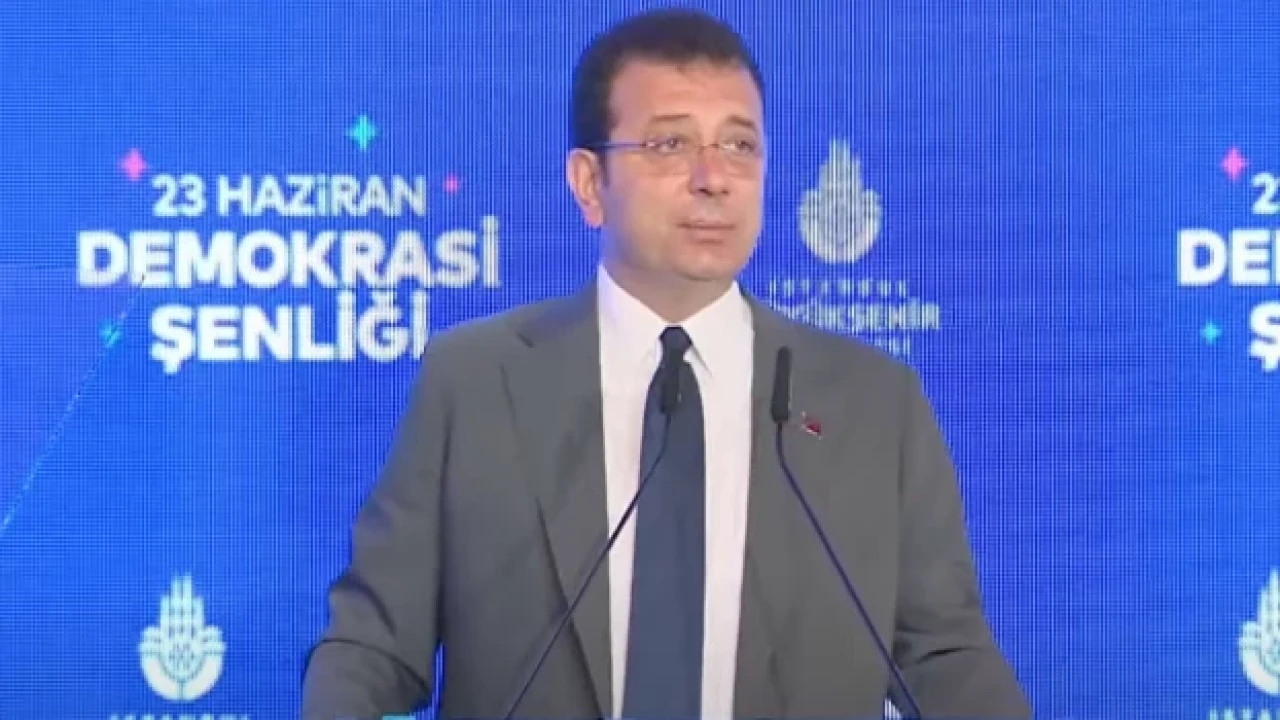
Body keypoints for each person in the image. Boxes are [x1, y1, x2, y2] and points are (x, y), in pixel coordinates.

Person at [301, 7, 1032, 719]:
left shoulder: (872, 402)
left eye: (740, 145)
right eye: (670, 144)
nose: (714, 177)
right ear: (589, 183)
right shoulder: (475, 380)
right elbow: (372, 644)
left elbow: (944, 658)